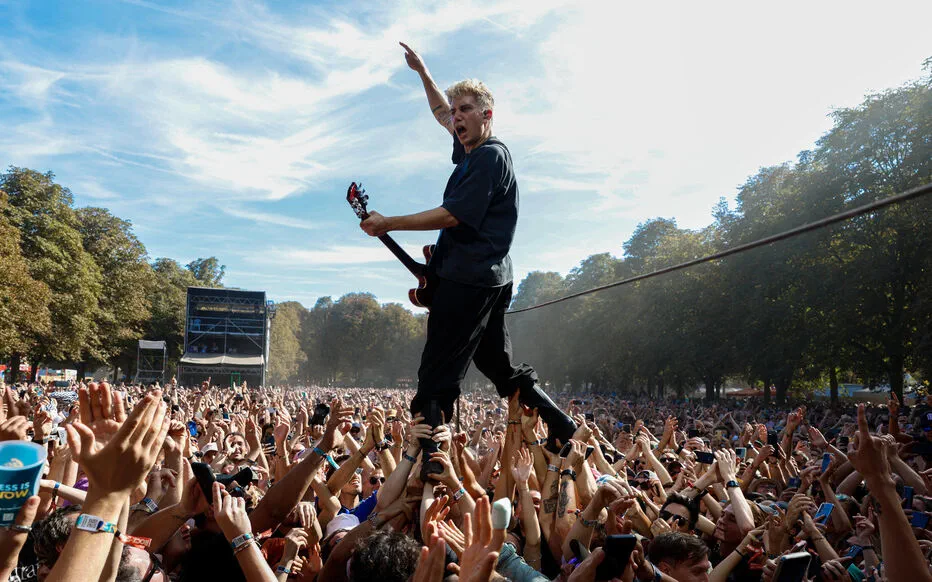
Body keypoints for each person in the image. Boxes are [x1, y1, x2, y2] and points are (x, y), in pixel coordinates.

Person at [360, 45, 576, 476]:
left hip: (469, 279)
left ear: (487, 115)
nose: (455, 118)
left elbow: (452, 215)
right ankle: (559, 423)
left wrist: (389, 222)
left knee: (437, 371)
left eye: (465, 110)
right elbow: (440, 112)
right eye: (455, 111)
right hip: (490, 277)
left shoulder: (490, 157)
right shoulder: (472, 151)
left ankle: (431, 460)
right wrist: (422, 71)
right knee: (496, 364)